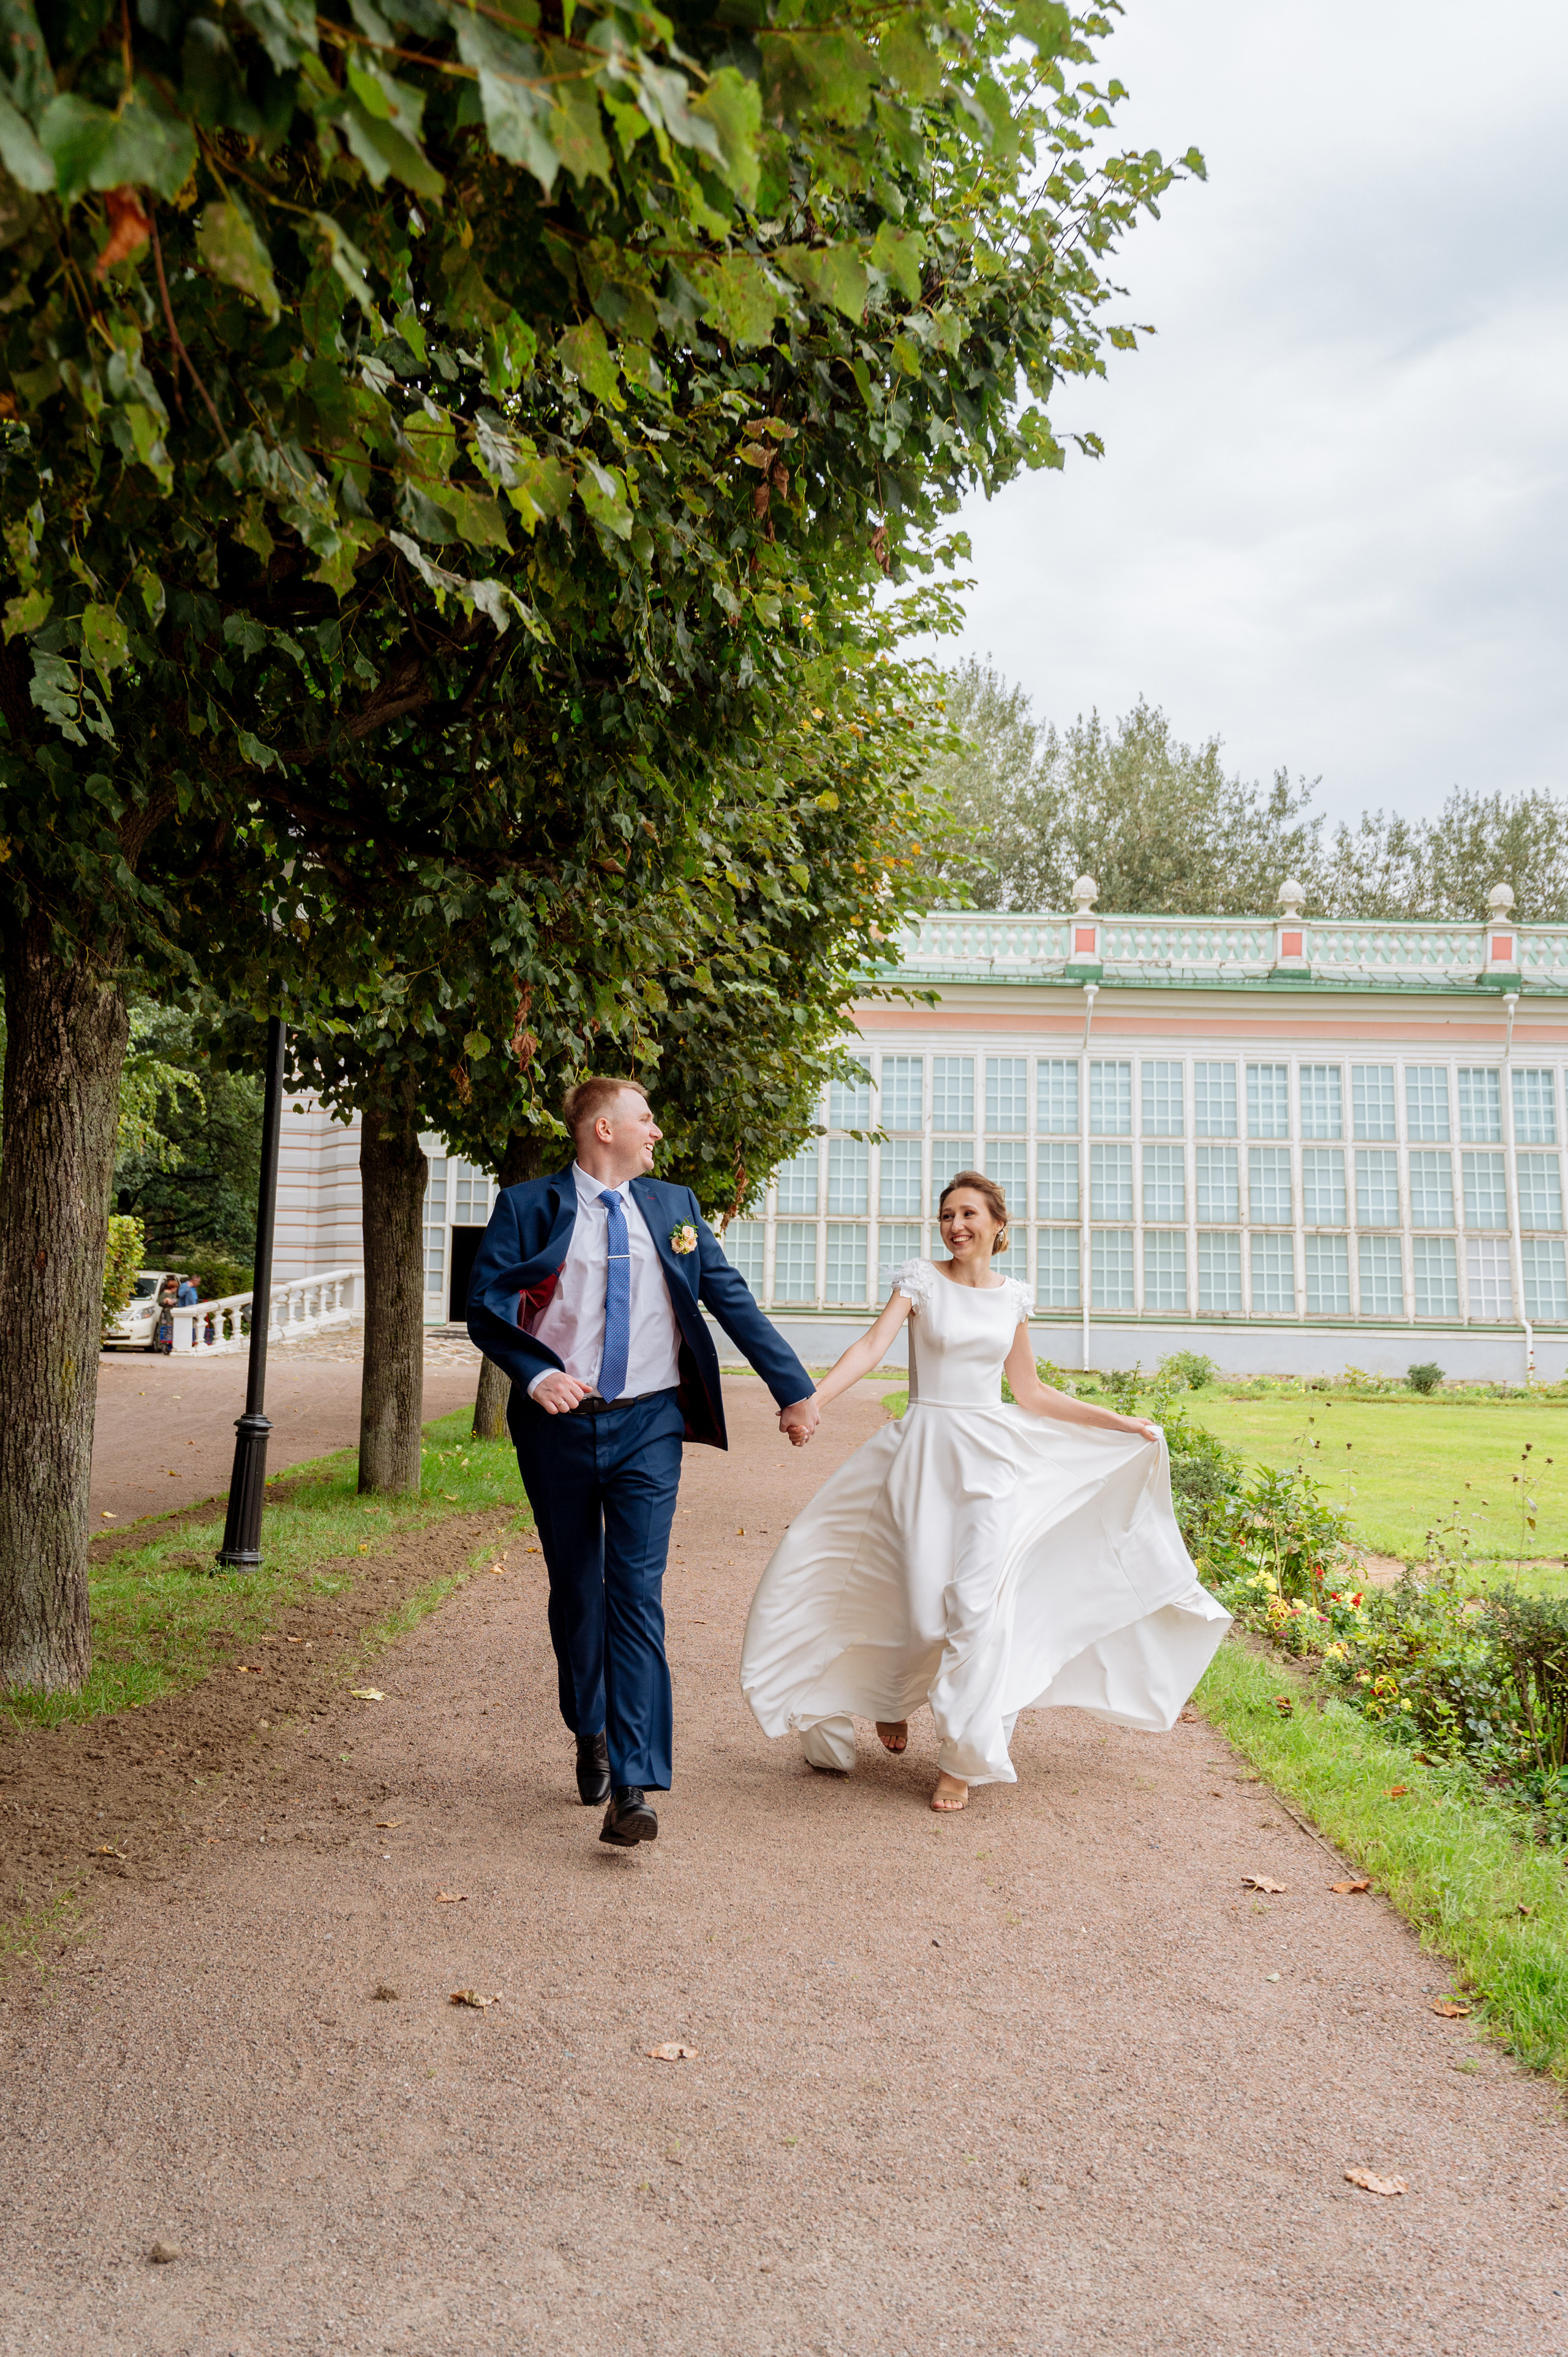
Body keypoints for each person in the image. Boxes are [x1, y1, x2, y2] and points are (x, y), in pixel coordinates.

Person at [741, 1173, 1230, 1812]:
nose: (955, 1225)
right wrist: (813, 1402)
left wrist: (1121, 1422)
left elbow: (1030, 1392)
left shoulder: (1011, 1300)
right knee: (919, 1608)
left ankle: (962, 1758)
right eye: (946, 1215)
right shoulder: (920, 1281)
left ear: (999, 1224)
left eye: (968, 1213)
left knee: (975, 1608)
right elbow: (871, 1347)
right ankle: (890, 1699)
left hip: (992, 1466)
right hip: (922, 1456)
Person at [466, 1078, 820, 1848]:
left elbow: (731, 1299)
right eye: (645, 1118)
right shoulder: (529, 1206)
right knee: (576, 1592)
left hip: (650, 1425)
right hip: (558, 1426)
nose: (655, 1131)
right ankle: (587, 1726)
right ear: (603, 1128)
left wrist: (792, 1390)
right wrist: (535, 1373)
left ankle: (633, 1784)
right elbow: (485, 1303)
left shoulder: (674, 1206)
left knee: (634, 1594)